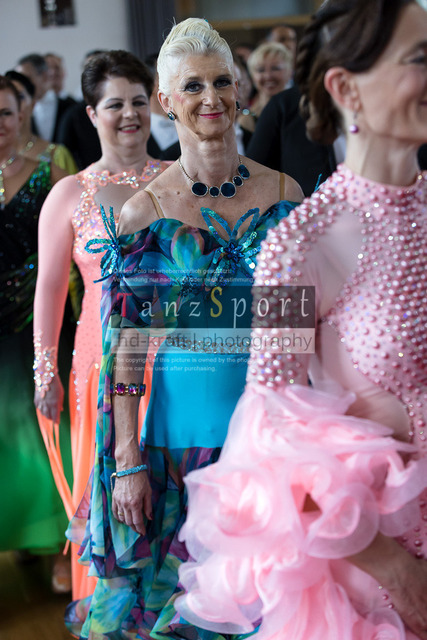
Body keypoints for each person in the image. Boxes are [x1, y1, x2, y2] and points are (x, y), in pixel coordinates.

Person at [175, 2, 427, 639]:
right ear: (346, 88)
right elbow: (270, 443)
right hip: (387, 573)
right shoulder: (299, 246)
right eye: (421, 60)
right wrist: (397, 571)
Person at [64, 17, 303, 639]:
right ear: (166, 101)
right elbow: (124, 350)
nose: (210, 97)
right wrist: (126, 460)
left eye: (221, 81)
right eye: (192, 86)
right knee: (187, 616)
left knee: (273, 613)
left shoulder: (285, 192)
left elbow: (301, 335)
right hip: (181, 450)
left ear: (239, 90)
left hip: (268, 442)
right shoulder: (143, 210)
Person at [33, 49, 171, 603]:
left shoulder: (177, 181)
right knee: (113, 492)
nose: (129, 114)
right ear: (92, 113)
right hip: (100, 365)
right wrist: (45, 369)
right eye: (115, 104)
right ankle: (114, 613)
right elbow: (50, 288)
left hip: (174, 359)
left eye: (139, 101)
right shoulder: (70, 193)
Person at [0, 75, 71, 589]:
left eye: (5, 112)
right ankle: (16, 536)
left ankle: (58, 546)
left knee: (46, 430)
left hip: (35, 319)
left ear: (21, 112)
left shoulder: (49, 169)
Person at [5, 69, 77, 173]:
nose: (13, 105)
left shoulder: (56, 154)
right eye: (7, 99)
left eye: (19, 97)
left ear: (33, 104)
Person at [239, 42, 294, 149]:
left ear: (290, 72)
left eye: (275, 68)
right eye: (261, 70)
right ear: (252, 76)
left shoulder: (303, 112)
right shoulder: (246, 121)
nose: (268, 76)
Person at [16, 53, 74, 143]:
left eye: (27, 79)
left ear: (44, 76)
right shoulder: (18, 110)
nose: (22, 85)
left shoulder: (70, 106)